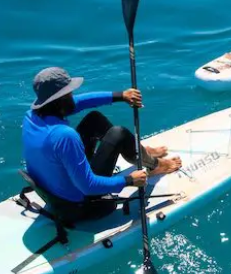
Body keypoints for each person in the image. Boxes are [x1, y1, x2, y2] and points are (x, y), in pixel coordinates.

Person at [22, 66, 182, 223]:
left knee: (94, 119)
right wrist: (129, 180)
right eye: (70, 94)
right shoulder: (64, 136)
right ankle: (155, 165)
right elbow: (88, 186)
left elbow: (79, 102)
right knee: (119, 133)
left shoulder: (32, 116)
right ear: (59, 102)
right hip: (81, 206)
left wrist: (121, 96)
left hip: (55, 193)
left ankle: (137, 151)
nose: (73, 96)